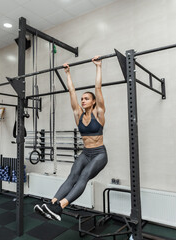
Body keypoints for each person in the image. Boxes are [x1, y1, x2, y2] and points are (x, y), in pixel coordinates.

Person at [34, 56, 108, 221]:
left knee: (83, 177)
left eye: (86, 98)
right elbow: (71, 92)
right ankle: (51, 204)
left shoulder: (99, 113)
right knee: (72, 176)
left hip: (99, 154)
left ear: (94, 101)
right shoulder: (78, 115)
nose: (83, 100)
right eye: (82, 99)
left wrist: (98, 67)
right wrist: (68, 73)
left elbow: (98, 87)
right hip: (86, 153)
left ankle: (60, 207)